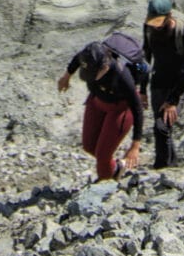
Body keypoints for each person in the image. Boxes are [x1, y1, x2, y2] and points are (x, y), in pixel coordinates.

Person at [56, 23, 152, 181]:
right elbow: (77, 59)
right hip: (97, 101)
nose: (90, 76)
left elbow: (137, 109)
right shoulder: (90, 56)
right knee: (89, 146)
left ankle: (106, 186)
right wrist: (66, 76)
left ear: (105, 67)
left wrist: (135, 146)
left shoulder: (122, 76)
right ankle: (117, 167)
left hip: (119, 110)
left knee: (102, 156)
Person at [142, 0, 184, 169]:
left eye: (159, 22)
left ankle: (161, 168)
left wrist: (172, 101)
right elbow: (145, 59)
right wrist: (142, 89)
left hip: (180, 85)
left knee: (162, 126)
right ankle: (171, 166)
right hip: (159, 82)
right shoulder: (148, 28)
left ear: (169, 16)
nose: (156, 26)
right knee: (162, 128)